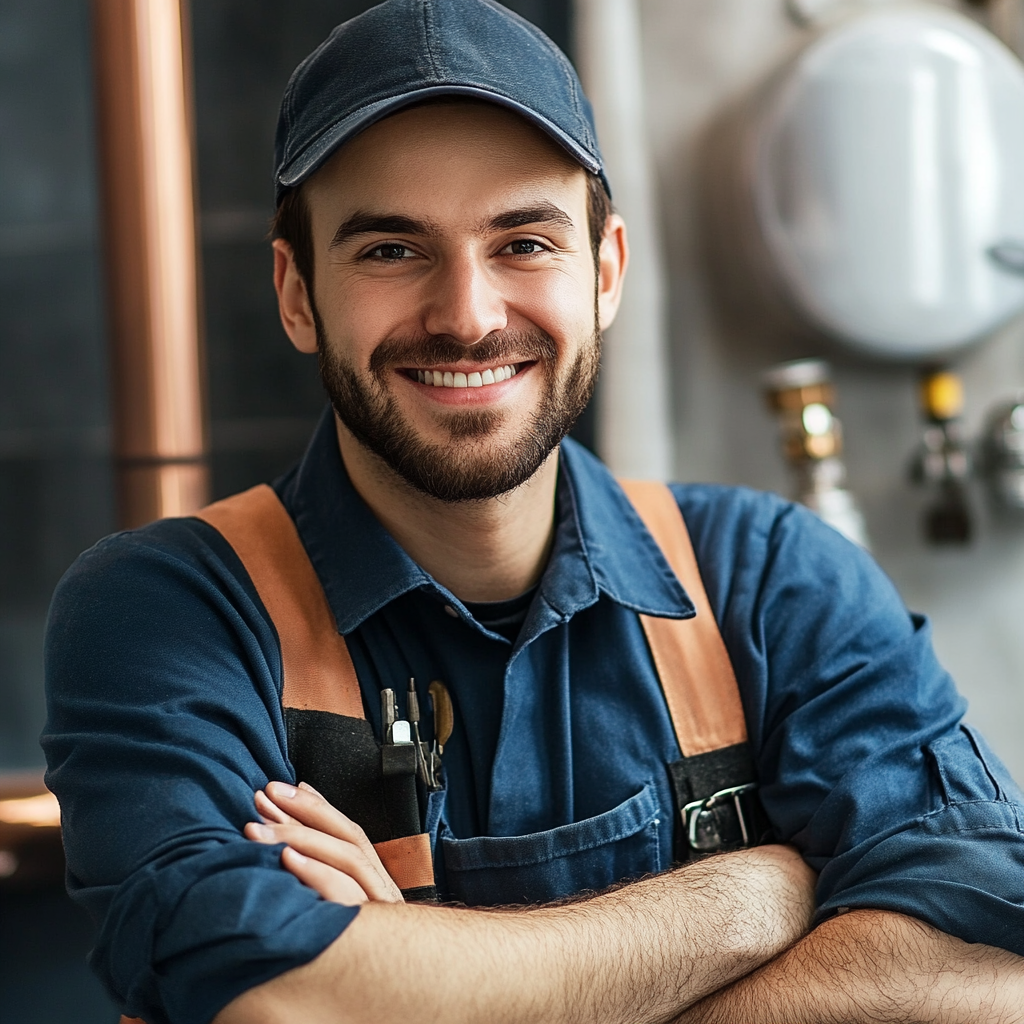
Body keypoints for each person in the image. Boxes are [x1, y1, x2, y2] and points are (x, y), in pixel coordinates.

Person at [43, 2, 1024, 1022]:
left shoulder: (774, 581)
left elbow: (981, 969)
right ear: (297, 294)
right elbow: (272, 993)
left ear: (603, 272)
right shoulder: (166, 613)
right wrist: (745, 899)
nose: (467, 315)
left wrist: (405, 970)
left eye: (521, 241)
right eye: (390, 249)